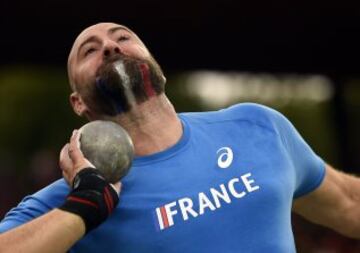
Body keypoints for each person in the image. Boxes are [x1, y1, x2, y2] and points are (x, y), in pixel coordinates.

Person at [0, 22, 359, 253]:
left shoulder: (257, 126)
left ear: (157, 67)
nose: (110, 46)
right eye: (89, 51)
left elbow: (348, 203)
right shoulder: (76, 195)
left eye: (123, 37)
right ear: (77, 102)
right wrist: (83, 208)